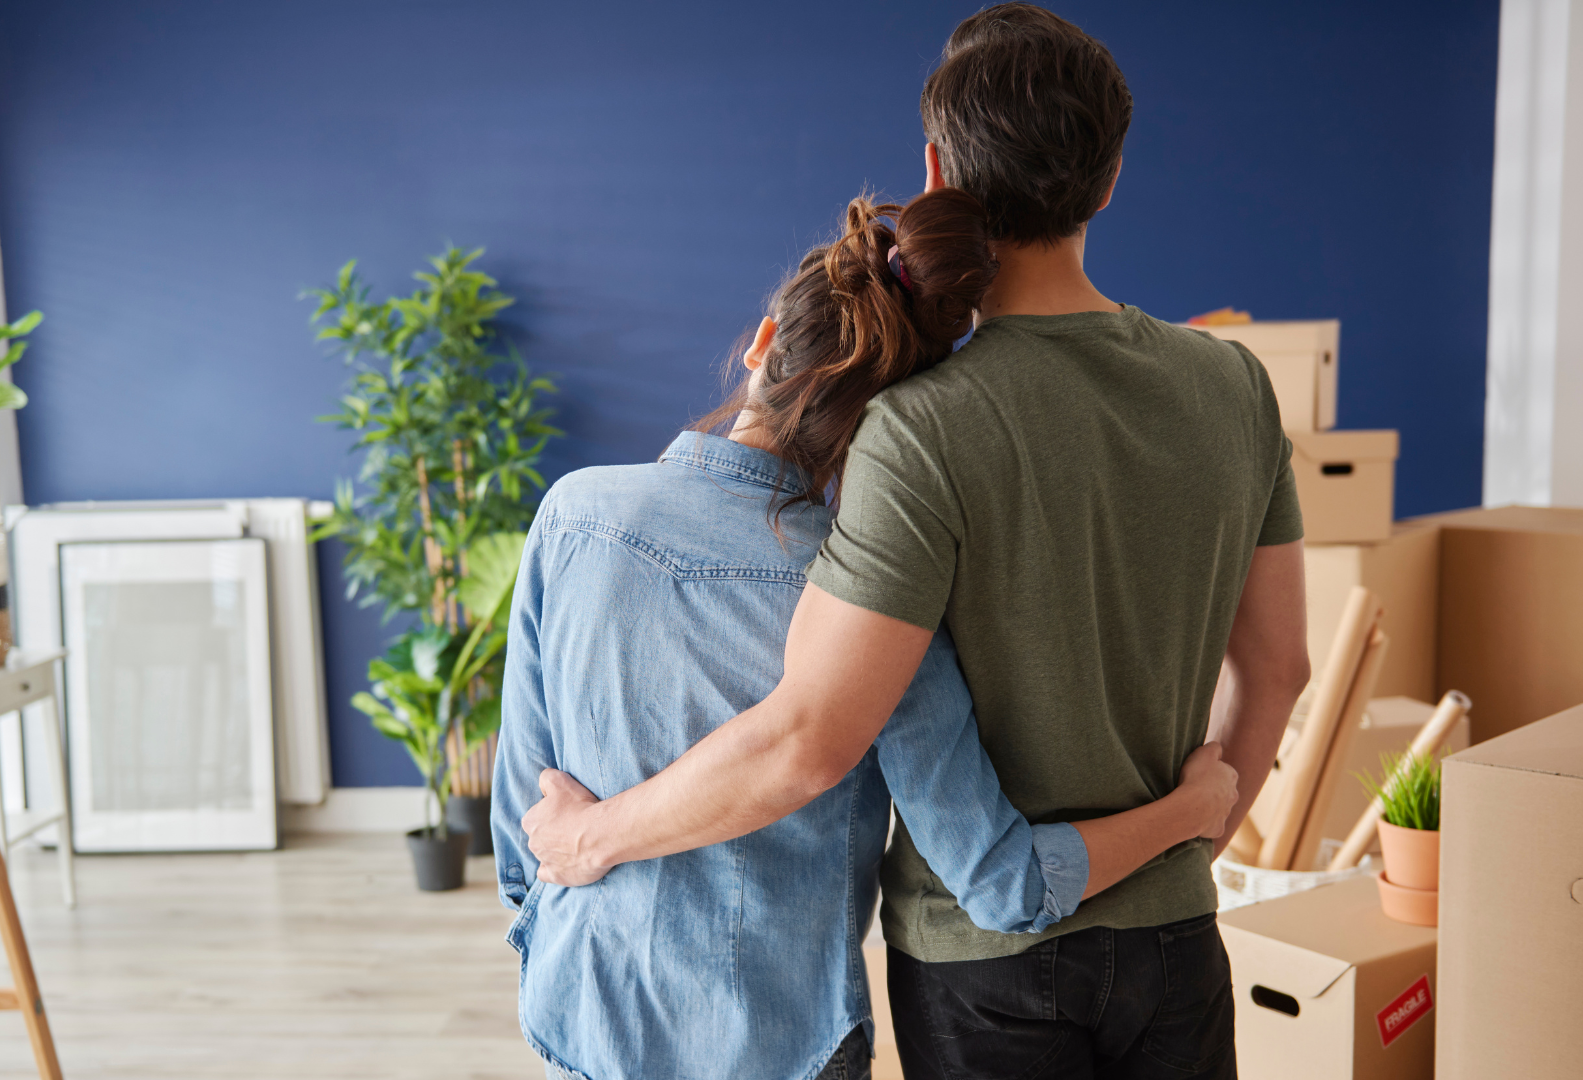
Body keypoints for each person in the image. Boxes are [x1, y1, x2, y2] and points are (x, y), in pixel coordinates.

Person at [520, 6, 1310, 1080]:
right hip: (1173, 942)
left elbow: (810, 737)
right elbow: (1278, 671)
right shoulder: (1236, 384)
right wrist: (1189, 841)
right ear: (1113, 176)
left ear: (937, 170)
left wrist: (590, 841)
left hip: (985, 971)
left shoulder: (919, 425)